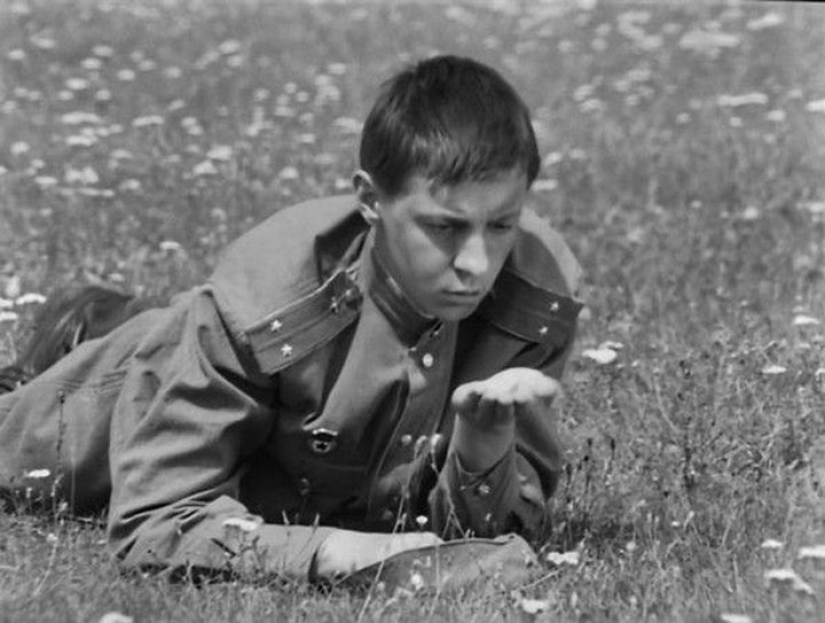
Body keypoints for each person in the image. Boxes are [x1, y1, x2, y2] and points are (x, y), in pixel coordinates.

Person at [0, 55, 582, 583]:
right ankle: (91, 329)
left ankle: (104, 314)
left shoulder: (533, 306)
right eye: (444, 227)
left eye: (502, 225)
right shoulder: (266, 313)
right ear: (371, 201)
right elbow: (156, 519)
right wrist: (332, 551)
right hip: (125, 387)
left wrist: (482, 453)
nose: (476, 265)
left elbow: (492, 537)